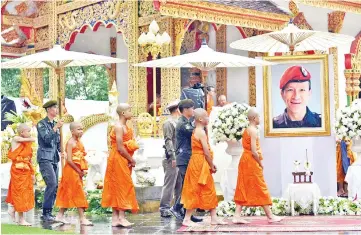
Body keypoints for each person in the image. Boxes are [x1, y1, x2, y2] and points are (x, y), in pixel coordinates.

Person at [233, 108, 283, 224]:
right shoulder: (253, 131)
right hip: (251, 161)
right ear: (254, 118)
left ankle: (237, 215)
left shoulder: (246, 130)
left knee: (243, 186)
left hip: (244, 160)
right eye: (259, 117)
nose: (260, 119)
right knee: (260, 186)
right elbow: (254, 151)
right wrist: (260, 163)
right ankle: (270, 216)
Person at [181, 108, 226, 227]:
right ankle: (186, 218)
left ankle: (214, 218)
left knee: (209, 189)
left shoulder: (199, 130)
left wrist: (210, 163)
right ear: (200, 119)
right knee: (195, 189)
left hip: (200, 162)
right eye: (206, 116)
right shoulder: (200, 132)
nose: (208, 118)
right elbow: (206, 151)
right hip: (199, 163)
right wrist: (211, 164)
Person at [101, 103, 139, 227]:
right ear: (123, 113)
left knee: (118, 185)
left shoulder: (125, 126)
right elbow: (120, 147)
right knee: (121, 185)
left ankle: (115, 218)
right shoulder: (118, 127)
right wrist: (131, 159)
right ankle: (121, 217)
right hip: (118, 158)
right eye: (129, 110)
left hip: (121, 158)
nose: (131, 112)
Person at [169, 99, 202, 223]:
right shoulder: (182, 123)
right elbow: (194, 132)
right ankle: (177, 207)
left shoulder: (187, 121)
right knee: (188, 185)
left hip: (188, 157)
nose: (193, 111)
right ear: (186, 110)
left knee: (187, 185)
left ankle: (186, 211)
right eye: (192, 108)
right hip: (184, 158)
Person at [55, 122, 93, 226]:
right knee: (78, 193)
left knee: (70, 193)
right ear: (72, 131)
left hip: (76, 171)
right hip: (71, 171)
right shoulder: (71, 142)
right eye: (78, 129)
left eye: (82, 129)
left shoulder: (78, 141)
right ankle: (82, 218)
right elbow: (70, 160)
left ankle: (60, 215)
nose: (81, 131)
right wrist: (79, 170)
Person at [37, 100, 64, 222]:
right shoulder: (42, 124)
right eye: (54, 108)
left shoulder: (55, 124)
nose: (56, 110)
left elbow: (57, 142)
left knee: (55, 185)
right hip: (45, 158)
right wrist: (55, 128)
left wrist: (62, 150)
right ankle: (45, 212)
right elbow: (46, 139)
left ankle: (49, 212)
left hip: (54, 158)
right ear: (48, 110)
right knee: (51, 183)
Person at [6, 124, 36, 226]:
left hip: (26, 171)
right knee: (20, 193)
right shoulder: (16, 140)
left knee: (25, 193)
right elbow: (26, 139)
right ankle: (21, 219)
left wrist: (33, 174)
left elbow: (29, 160)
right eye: (28, 131)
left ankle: (13, 210)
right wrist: (32, 138)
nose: (30, 133)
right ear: (22, 132)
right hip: (17, 171)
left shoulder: (28, 144)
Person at [159, 100, 182, 218]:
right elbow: (168, 141)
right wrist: (173, 156)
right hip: (171, 158)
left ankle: (178, 207)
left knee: (179, 184)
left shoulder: (179, 122)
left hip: (179, 157)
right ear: (177, 109)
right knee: (170, 184)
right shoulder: (168, 123)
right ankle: (164, 208)